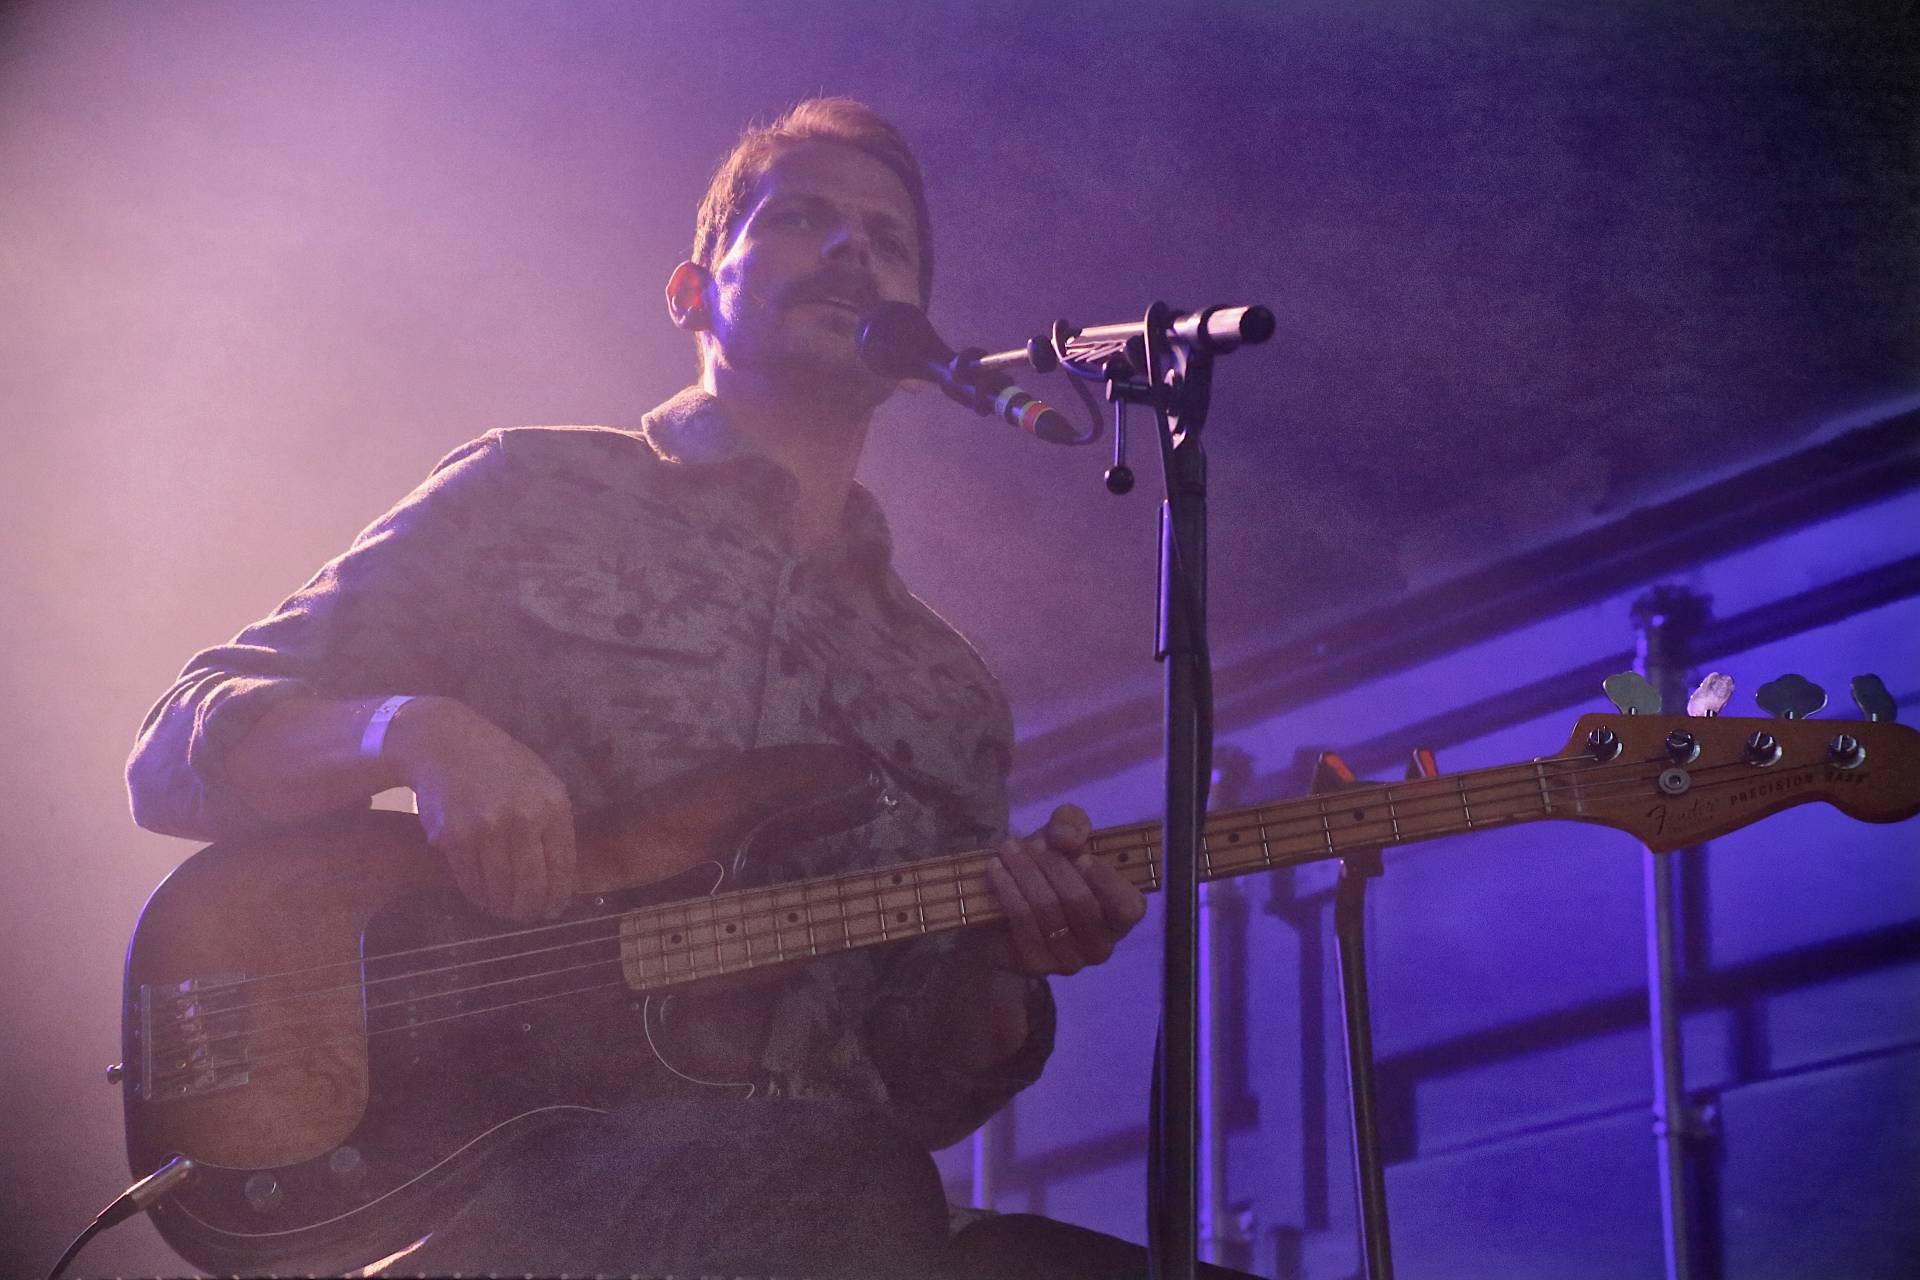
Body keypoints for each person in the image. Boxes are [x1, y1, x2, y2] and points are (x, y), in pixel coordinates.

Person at [129, 98, 1251, 1279]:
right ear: (690, 292)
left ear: (916, 349)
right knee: (838, 1178)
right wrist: (414, 730)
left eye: (888, 241)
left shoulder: (946, 688)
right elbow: (177, 741)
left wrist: (1004, 961)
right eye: (803, 217)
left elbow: (913, 1088)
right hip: (508, 1189)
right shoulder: (530, 491)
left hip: (824, 1212)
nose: (852, 249)